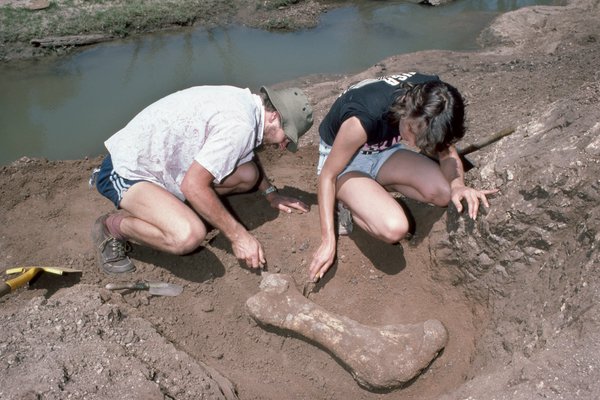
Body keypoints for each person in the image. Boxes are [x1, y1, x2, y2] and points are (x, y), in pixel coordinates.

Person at [92, 84, 313, 274]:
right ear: (275, 116)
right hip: (128, 168)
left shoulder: (247, 105)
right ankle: (112, 226)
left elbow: (247, 156)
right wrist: (239, 237)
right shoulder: (240, 126)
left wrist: (271, 194)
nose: (284, 146)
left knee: (249, 174)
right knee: (188, 235)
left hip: (168, 166)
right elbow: (193, 185)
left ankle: (175, 209)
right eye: (287, 137)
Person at [309, 72, 497, 282]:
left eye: (424, 140)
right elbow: (327, 176)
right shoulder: (364, 118)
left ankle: (370, 190)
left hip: (384, 152)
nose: (415, 144)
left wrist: (458, 185)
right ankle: (346, 203)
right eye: (411, 132)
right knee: (394, 228)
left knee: (445, 193)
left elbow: (446, 151)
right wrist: (328, 240)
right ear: (405, 110)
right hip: (344, 162)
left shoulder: (435, 99)